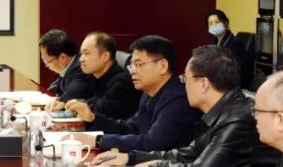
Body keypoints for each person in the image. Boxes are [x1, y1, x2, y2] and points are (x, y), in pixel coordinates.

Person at [94, 45, 281, 167]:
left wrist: (153, 166)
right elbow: (188, 154)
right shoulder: (222, 110)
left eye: (186, 79)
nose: (183, 85)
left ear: (204, 84)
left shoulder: (237, 119)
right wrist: (130, 158)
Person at [68, 35, 198, 153]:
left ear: (162, 66)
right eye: (131, 66)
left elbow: (152, 143)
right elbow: (130, 128)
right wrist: (93, 118)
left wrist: (99, 141)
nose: (133, 71)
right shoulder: (149, 93)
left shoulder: (177, 99)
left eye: (139, 64)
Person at [62, 32, 139, 120]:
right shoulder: (95, 77)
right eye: (81, 54)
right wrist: (67, 103)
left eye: (86, 53)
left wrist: (79, 105)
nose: (81, 59)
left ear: (105, 56)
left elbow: (100, 111)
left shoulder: (122, 82)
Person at [38, 29, 94, 110]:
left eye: (47, 61)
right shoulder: (71, 66)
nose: (46, 65)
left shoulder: (81, 67)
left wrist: (59, 100)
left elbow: (73, 92)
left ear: (63, 57)